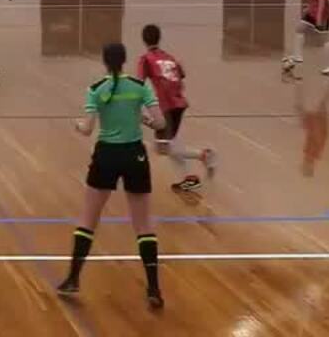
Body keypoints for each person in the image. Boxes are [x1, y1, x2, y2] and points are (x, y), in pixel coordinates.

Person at [58, 42, 166, 309]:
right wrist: (142, 119)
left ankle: (72, 279)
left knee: (88, 220)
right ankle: (153, 287)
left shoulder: (96, 89)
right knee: (143, 226)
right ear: (124, 60)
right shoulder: (140, 87)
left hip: (106, 155)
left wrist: (76, 124)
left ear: (104, 62)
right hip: (134, 155)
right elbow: (161, 123)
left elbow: (87, 129)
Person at [137, 24, 216, 193]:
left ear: (144, 39)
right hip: (179, 103)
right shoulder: (170, 57)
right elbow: (181, 74)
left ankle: (203, 155)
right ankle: (188, 180)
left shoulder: (146, 59)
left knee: (162, 148)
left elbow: (139, 84)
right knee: (171, 145)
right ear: (159, 38)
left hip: (166, 106)